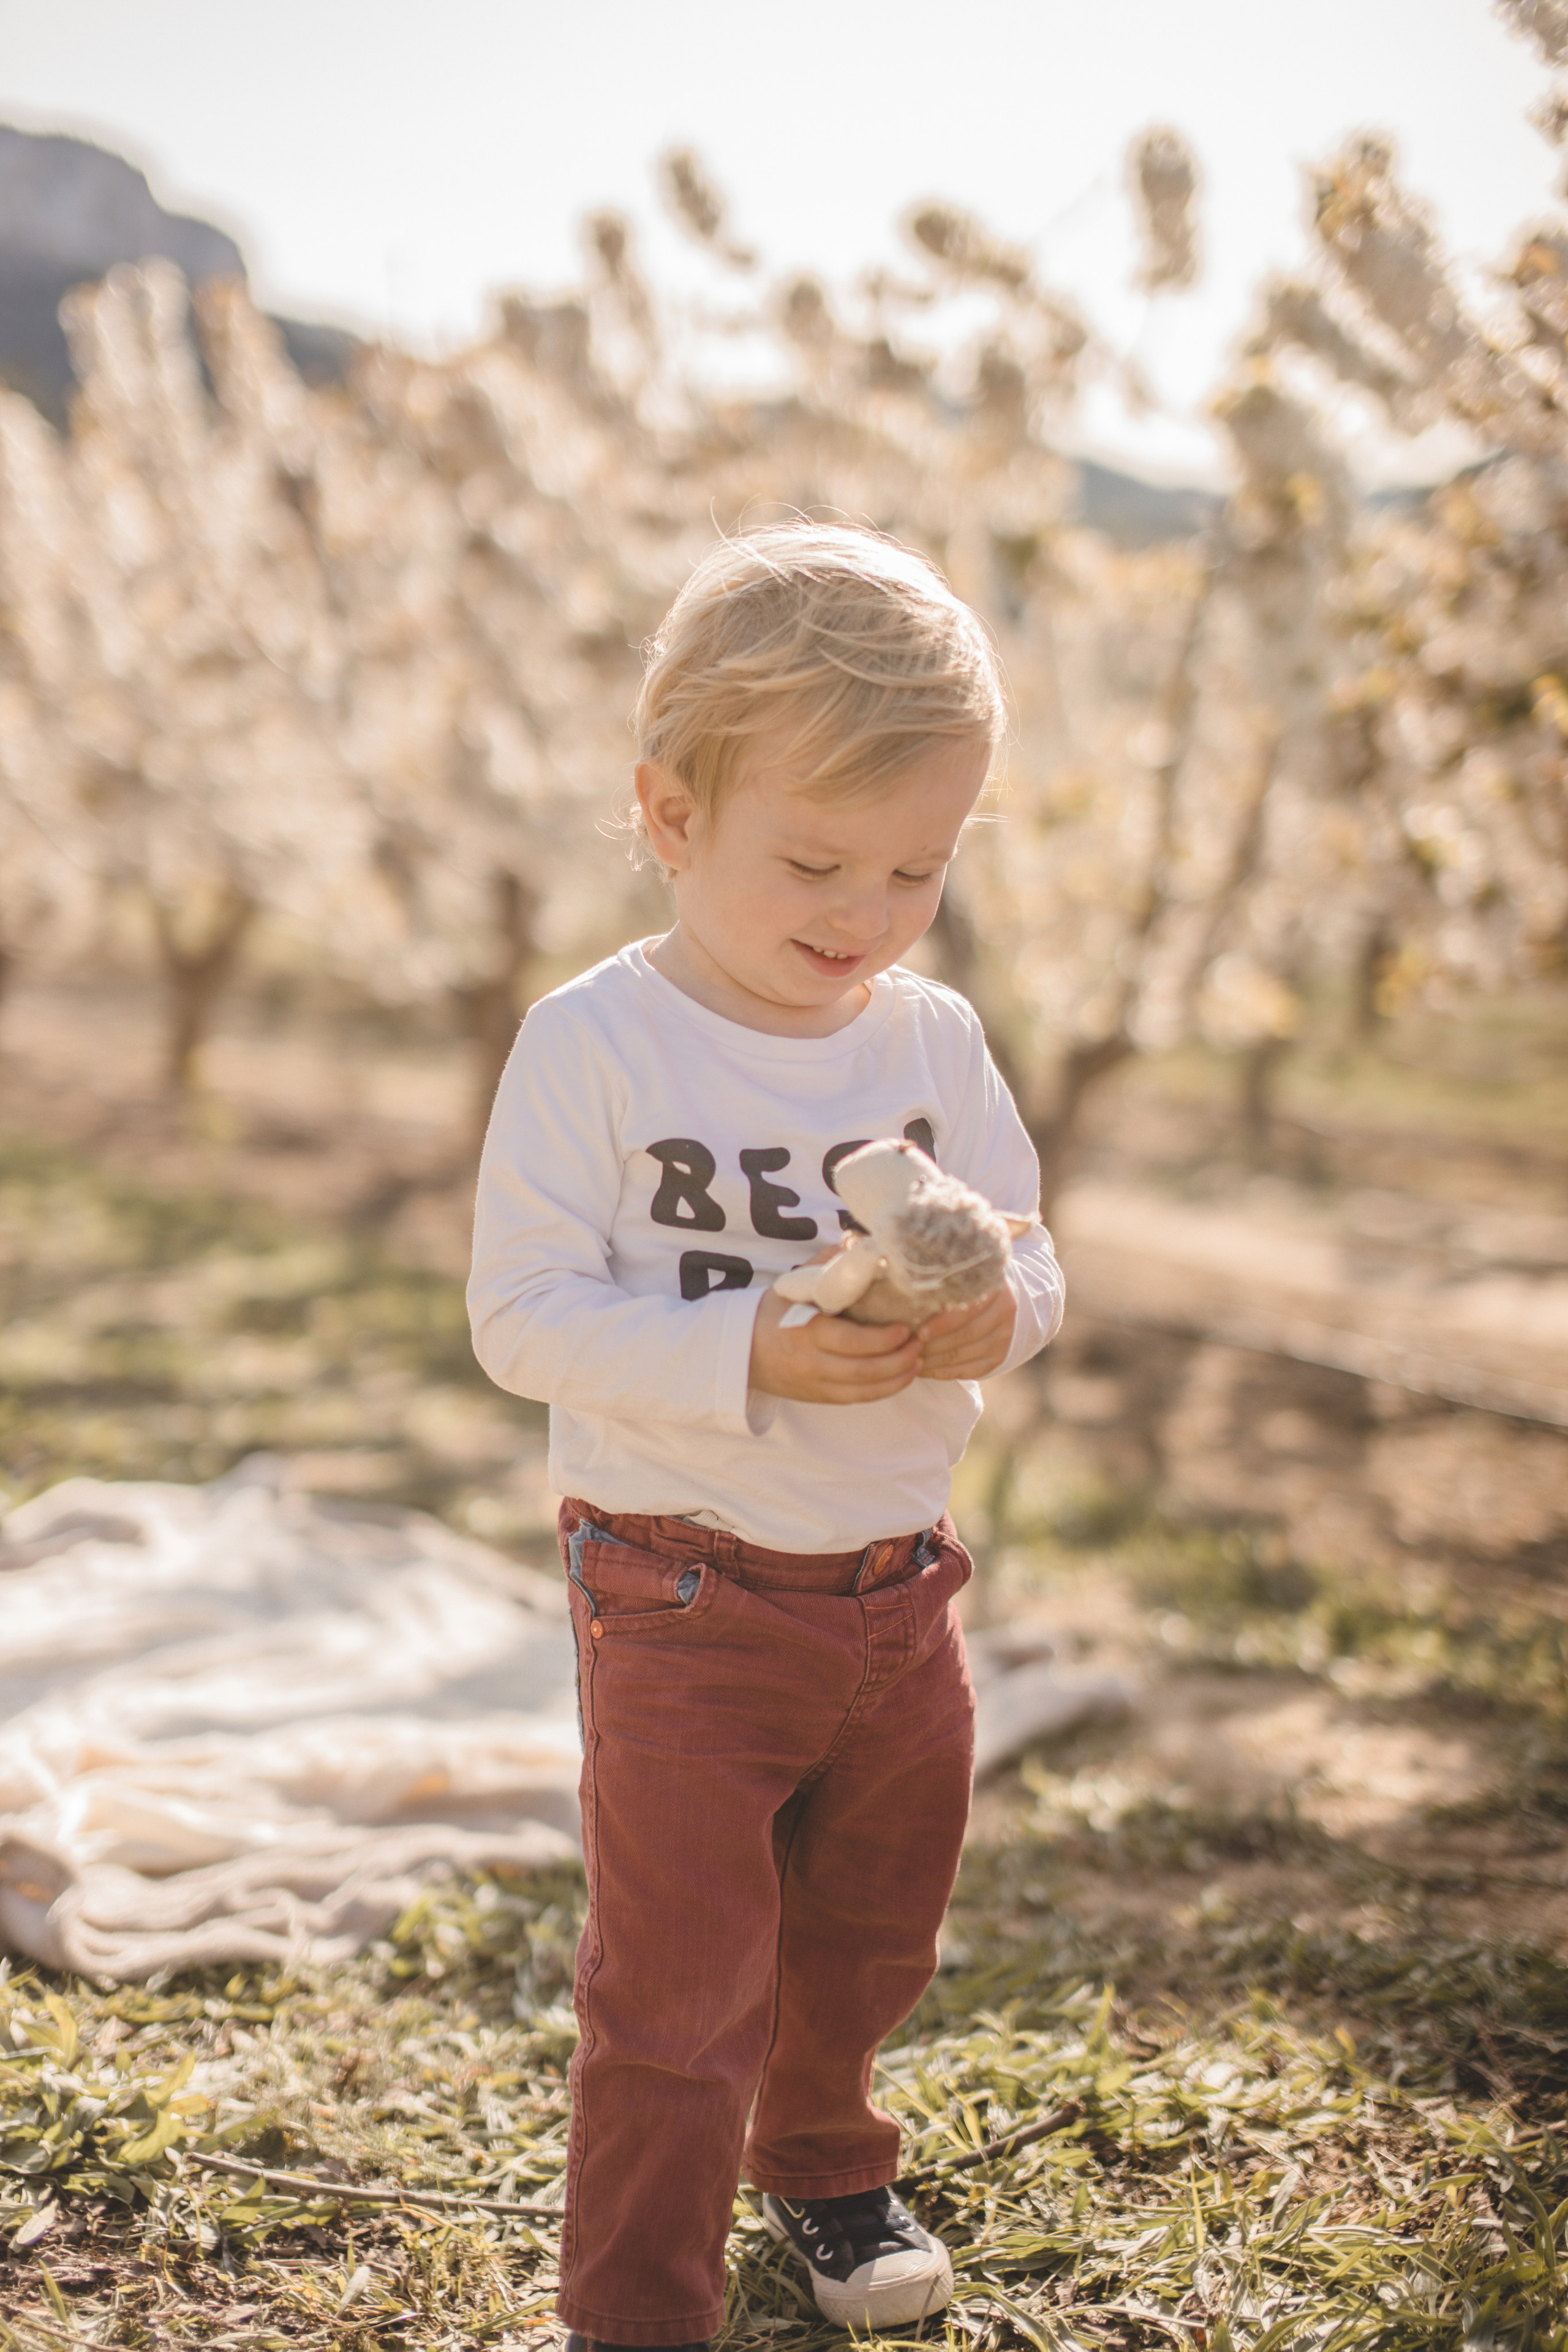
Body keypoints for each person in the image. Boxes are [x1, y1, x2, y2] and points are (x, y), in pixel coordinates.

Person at [468, 522, 1065, 2351]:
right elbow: (520, 1319)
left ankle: (821, 2159)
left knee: (875, 1931)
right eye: (814, 861)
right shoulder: (598, 1046)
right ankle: (637, 2306)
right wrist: (753, 1350)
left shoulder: (933, 1045)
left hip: (901, 1589)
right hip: (682, 1591)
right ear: (671, 813)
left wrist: (1000, 1312)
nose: (865, 910)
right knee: (679, 1985)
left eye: (918, 869)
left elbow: (1029, 1250)